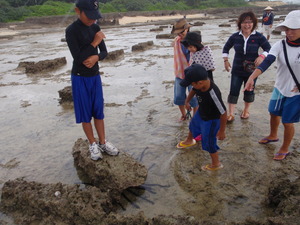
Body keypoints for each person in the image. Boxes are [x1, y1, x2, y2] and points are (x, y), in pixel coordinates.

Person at [65, 0, 119, 160]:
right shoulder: (71, 31)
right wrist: (94, 42)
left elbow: (104, 52)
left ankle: (103, 141)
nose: (92, 20)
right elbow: (79, 57)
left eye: (94, 17)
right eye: (89, 16)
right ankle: (92, 143)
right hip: (80, 77)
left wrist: (96, 57)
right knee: (85, 113)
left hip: (95, 76)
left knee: (98, 111)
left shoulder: (95, 27)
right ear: (77, 11)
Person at [244, 10, 300, 161]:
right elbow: (268, 61)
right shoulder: (280, 44)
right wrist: (251, 77)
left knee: (288, 121)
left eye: (293, 29)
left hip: (297, 92)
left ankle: (285, 147)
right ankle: (273, 135)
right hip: (280, 87)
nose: (288, 32)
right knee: (273, 112)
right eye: (286, 29)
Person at [176, 64, 227, 171]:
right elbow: (194, 90)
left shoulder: (213, 94)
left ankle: (216, 163)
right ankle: (189, 140)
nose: (191, 86)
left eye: (191, 84)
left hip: (212, 120)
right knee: (193, 124)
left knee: (209, 141)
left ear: (200, 82)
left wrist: (222, 131)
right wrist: (187, 101)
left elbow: (223, 113)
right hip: (202, 111)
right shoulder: (199, 85)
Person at [222, 11, 271, 122]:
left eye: (250, 22)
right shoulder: (235, 36)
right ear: (240, 23)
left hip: (252, 70)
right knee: (233, 90)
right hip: (237, 68)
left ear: (254, 23)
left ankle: (246, 110)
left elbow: (269, 49)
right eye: (244, 22)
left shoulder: (259, 37)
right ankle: (231, 114)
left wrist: (262, 56)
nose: (247, 25)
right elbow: (226, 48)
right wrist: (226, 60)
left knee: (249, 90)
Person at [171, 18, 198, 121]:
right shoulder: (176, 41)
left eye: (182, 32)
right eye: (178, 33)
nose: (180, 34)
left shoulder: (194, 41)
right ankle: (183, 114)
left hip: (193, 73)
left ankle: (195, 117)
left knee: (194, 98)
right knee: (178, 96)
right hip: (180, 72)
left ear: (187, 29)